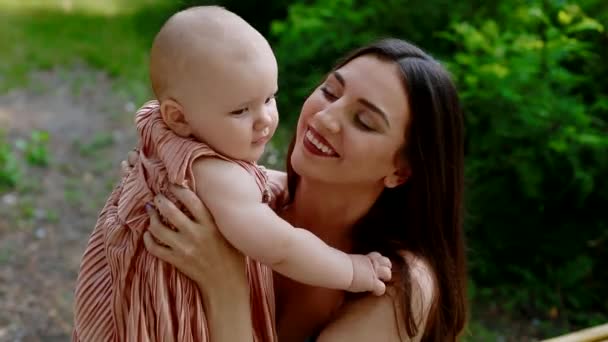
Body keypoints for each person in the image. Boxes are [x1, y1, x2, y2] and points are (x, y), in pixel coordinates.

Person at [72, 5, 392, 342]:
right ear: (178, 117)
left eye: (270, 98)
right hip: (172, 312)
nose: (265, 119)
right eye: (241, 110)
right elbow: (281, 247)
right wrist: (354, 271)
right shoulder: (215, 174)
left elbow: (249, 182)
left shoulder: (166, 128)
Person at [133, 37, 468, 341]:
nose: (325, 118)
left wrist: (225, 285)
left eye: (364, 121)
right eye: (330, 92)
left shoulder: (398, 284)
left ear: (401, 170)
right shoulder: (250, 198)